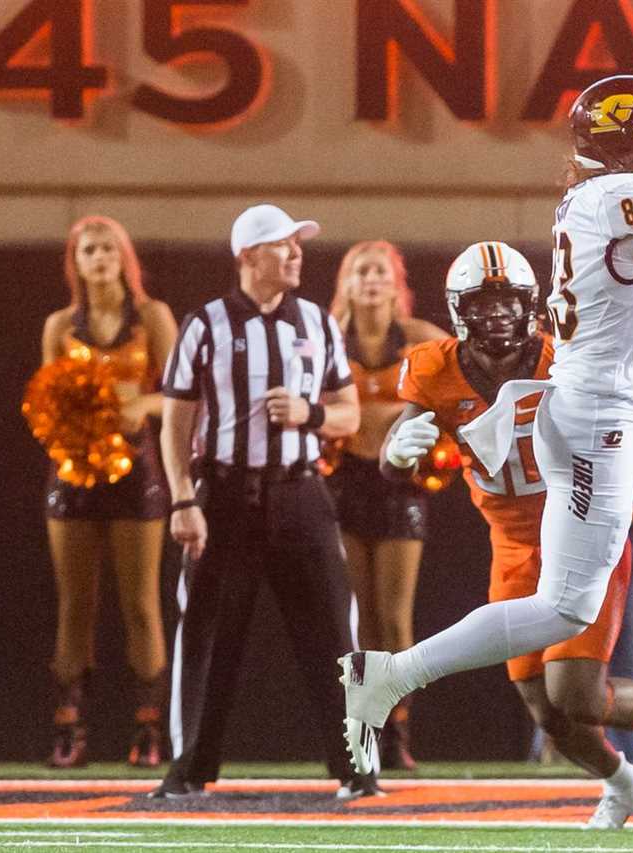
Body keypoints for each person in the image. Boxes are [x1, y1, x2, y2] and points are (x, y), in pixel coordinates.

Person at [341, 74, 633, 789]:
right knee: (564, 606)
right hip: (599, 421)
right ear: (626, 137)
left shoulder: (598, 198)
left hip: (625, 411)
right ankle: (390, 675)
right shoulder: (626, 197)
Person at [153, 204, 374, 800]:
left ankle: (360, 768)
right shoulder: (205, 325)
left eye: (298, 243)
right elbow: (176, 422)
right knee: (206, 631)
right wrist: (182, 499)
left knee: (337, 631)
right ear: (248, 256)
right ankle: (188, 768)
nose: (297, 253)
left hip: (300, 491)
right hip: (225, 494)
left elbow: (350, 411)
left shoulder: (318, 323)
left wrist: (314, 415)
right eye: (283, 244)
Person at [38, 215, 178, 768]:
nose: (98, 257)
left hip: (135, 469)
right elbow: (46, 398)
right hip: (72, 470)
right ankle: (69, 726)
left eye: (107, 248)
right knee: (74, 605)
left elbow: (179, 395)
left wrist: (140, 405)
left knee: (140, 603)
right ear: (74, 262)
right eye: (87, 249)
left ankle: (149, 729)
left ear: (124, 257)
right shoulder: (58, 326)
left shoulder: (152, 318)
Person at [328, 240, 445, 768]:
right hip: (345, 480)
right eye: (360, 271)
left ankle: (398, 730)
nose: (370, 279)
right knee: (358, 618)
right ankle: (363, 728)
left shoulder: (419, 338)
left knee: (394, 619)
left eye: (380, 271)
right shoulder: (329, 340)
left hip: (399, 484)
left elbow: (466, 374)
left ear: (396, 284)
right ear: (347, 284)